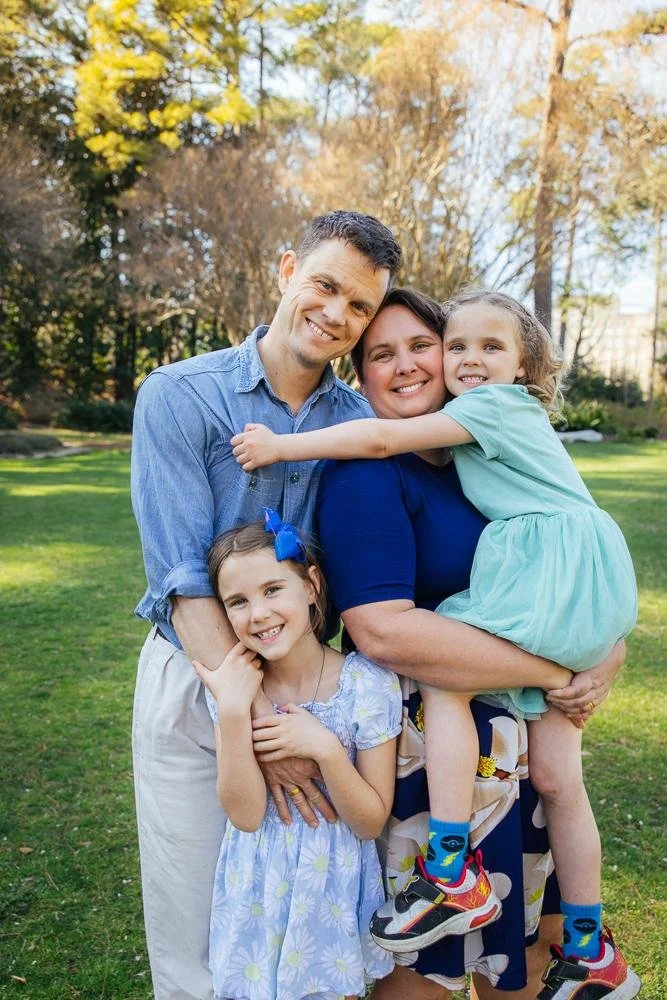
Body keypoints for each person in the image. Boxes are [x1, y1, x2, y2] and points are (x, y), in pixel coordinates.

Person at [232, 287, 627, 999]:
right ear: (359, 378)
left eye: (423, 346)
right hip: (432, 762)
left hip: (511, 747)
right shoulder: (366, 472)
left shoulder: (474, 457)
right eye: (382, 354)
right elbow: (380, 630)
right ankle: (452, 876)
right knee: (428, 976)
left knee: (518, 962)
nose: (409, 365)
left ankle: (585, 947)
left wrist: (604, 654)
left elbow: (557, 578)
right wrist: (559, 666)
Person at [130, 210, 403, 999]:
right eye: (324, 285)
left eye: (358, 307)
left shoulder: (359, 424)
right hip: (197, 679)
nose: (336, 315)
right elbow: (181, 576)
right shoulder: (180, 394)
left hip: (320, 703)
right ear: (287, 270)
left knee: (300, 918)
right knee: (192, 928)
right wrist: (251, 720)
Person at [192, 511, 402, 1000]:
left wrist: (327, 750)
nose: (257, 614)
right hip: (255, 888)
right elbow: (244, 814)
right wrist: (232, 710)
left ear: (311, 586)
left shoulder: (365, 684)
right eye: (237, 602)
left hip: (330, 887)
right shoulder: (234, 688)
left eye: (272, 590)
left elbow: (371, 821)